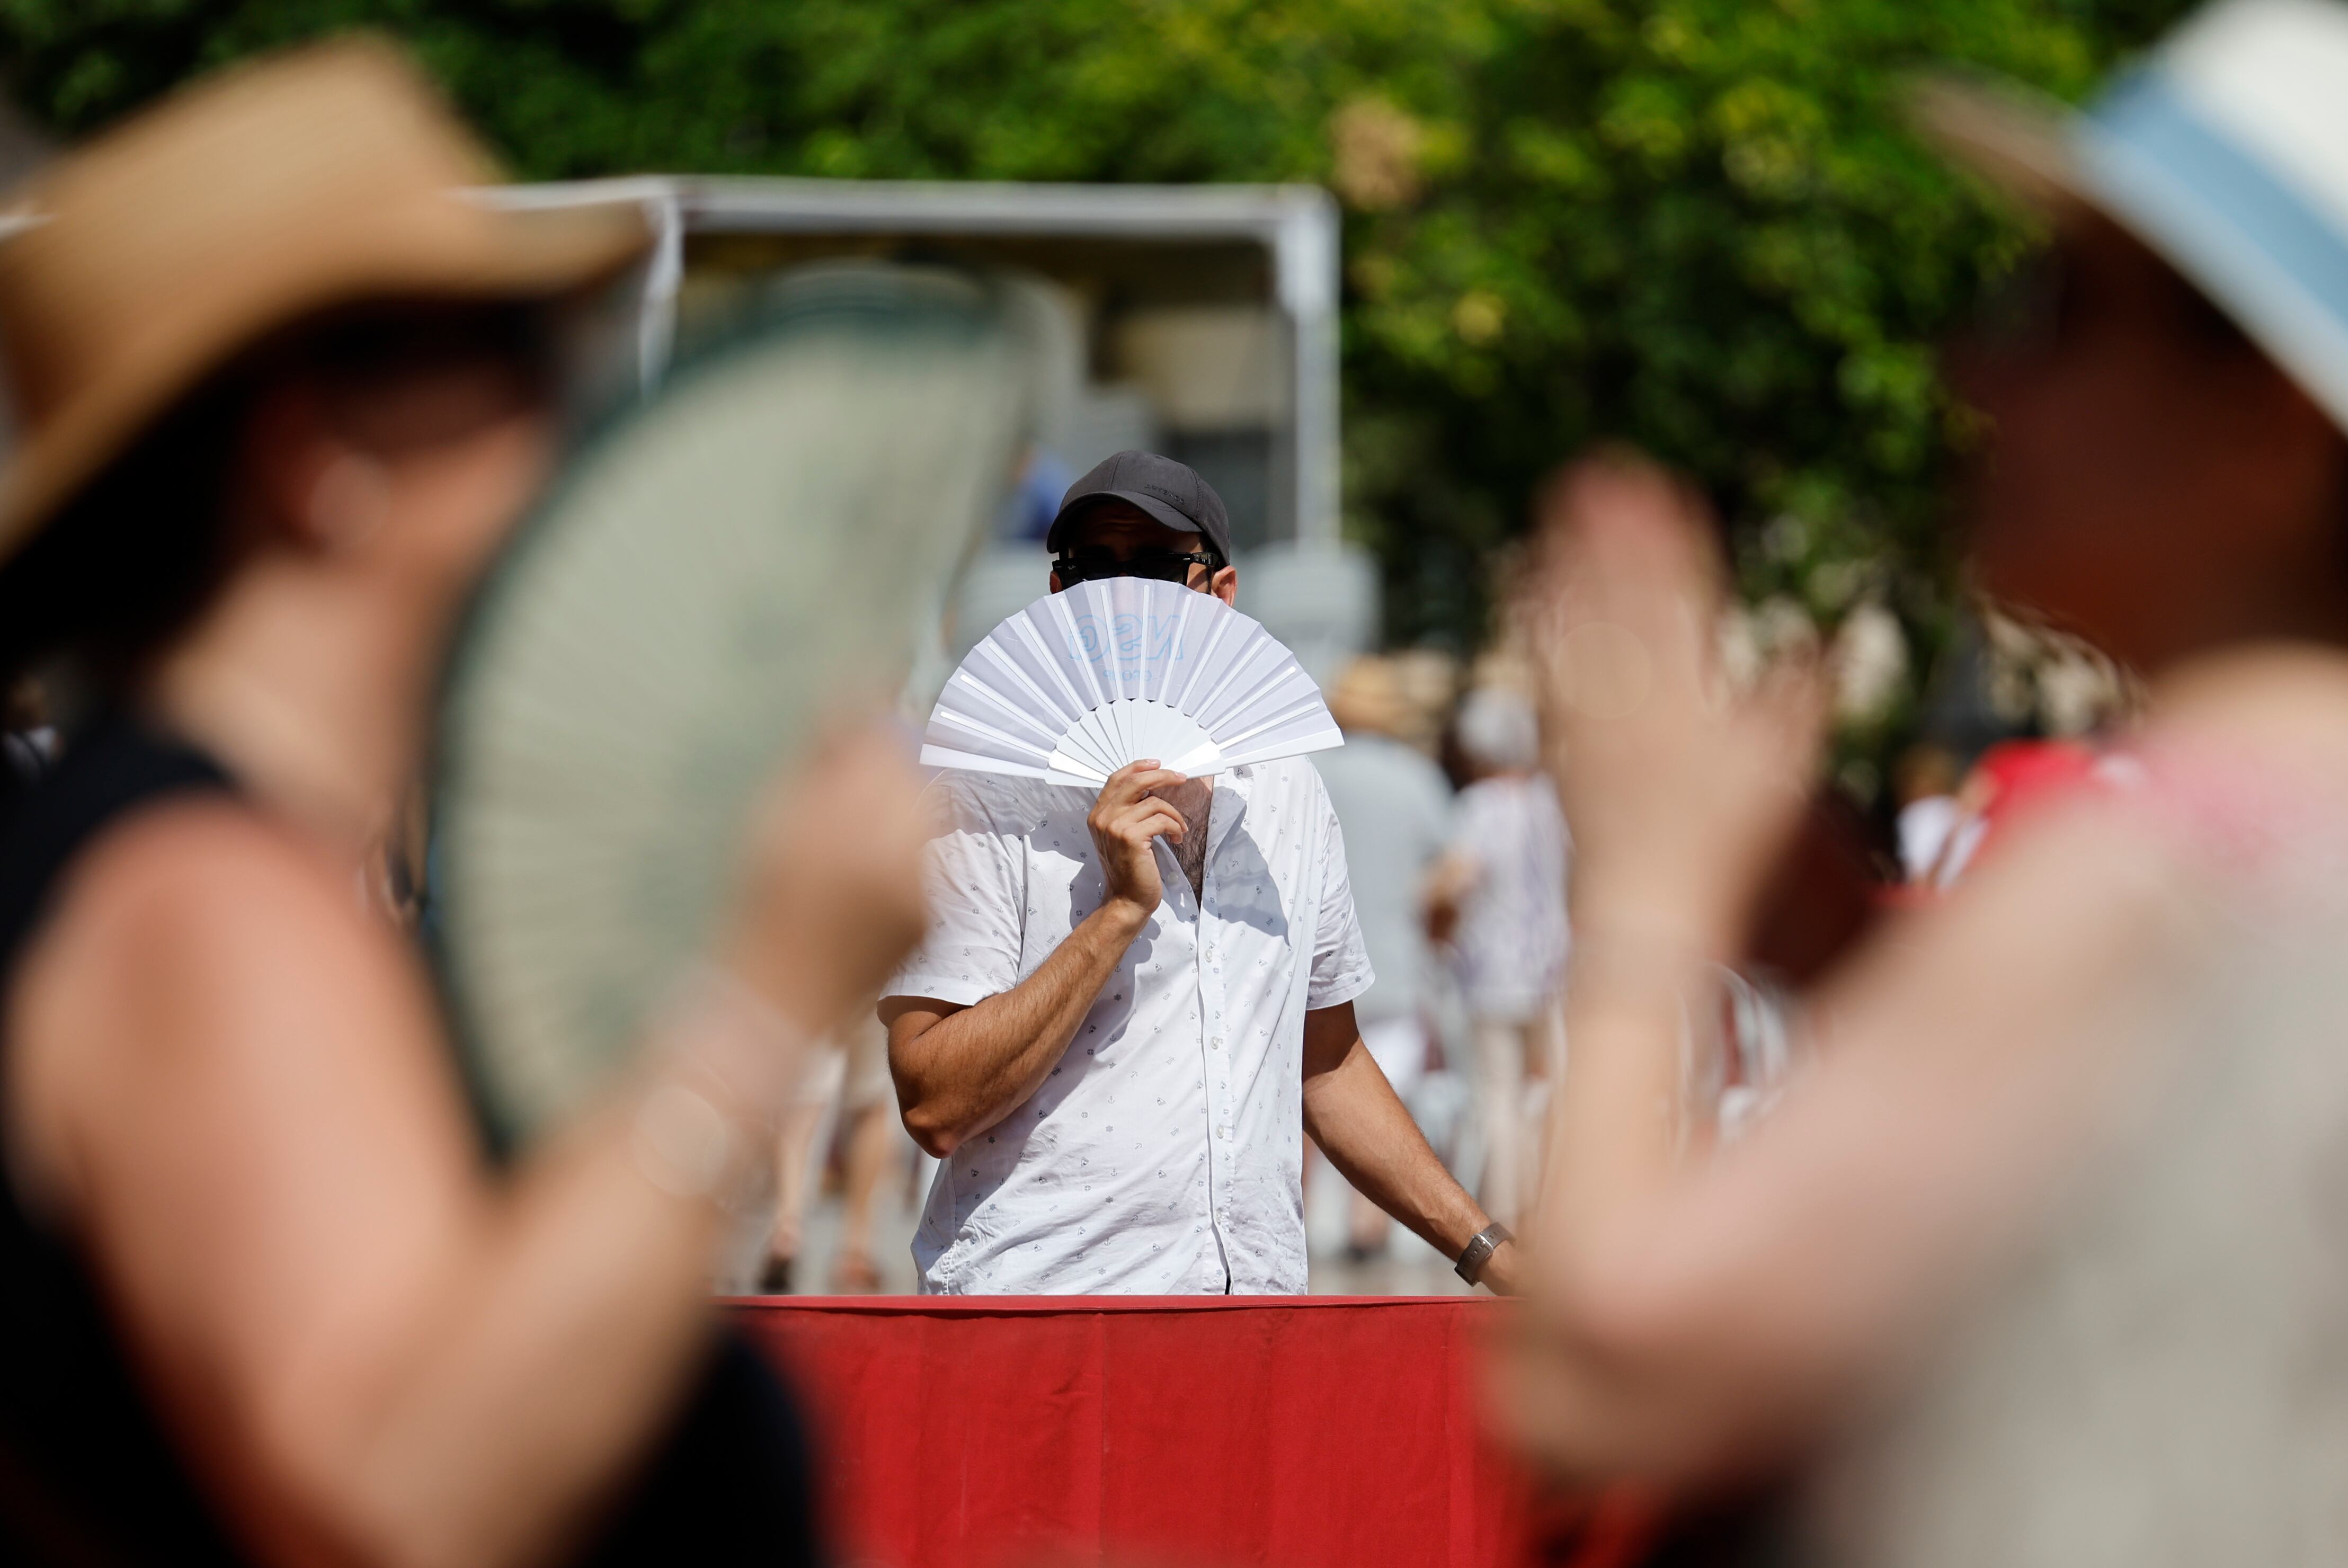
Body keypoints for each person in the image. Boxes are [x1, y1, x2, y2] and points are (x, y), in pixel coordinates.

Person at [0, 44, 931, 1565]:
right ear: (319, 458)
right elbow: (408, 1497)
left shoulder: (217, 868)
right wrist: (759, 1000)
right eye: (514, 361)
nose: (570, 435)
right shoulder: (200, 899)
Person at [1502, 1, 2348, 1559]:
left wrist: (1643, 891)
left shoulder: (2156, 853)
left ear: (2271, 429)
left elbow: (1603, 1370)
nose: (1976, 362)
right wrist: (1837, 953)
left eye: (2057, 304)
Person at [883, 450, 1518, 1294]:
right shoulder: (984, 797)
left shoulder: (1286, 790)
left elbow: (1326, 1064)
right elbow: (933, 1103)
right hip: (1043, 1311)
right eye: (1091, 570)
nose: (1120, 599)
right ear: (1057, 594)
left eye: (1151, 567)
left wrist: (1492, 1256)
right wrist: (1114, 916)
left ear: (1218, 592)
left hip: (1247, 1316)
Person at [1309, 655, 1457, 1260]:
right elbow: (1455, 870)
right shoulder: (1415, 777)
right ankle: (1366, 1230)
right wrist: (1429, 920)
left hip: (1313, 963)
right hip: (1392, 959)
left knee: (1303, 1092)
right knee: (1383, 1093)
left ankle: (1297, 1220)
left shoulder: (1311, 772)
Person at [1430, 684, 1569, 1230]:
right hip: (1552, 963)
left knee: (1501, 1092)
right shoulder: (1548, 802)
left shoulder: (1480, 806)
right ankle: (1548, 1199)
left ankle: (1509, 1209)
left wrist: (1426, 894)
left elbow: (1456, 878)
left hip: (1494, 968)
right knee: (1550, 1086)